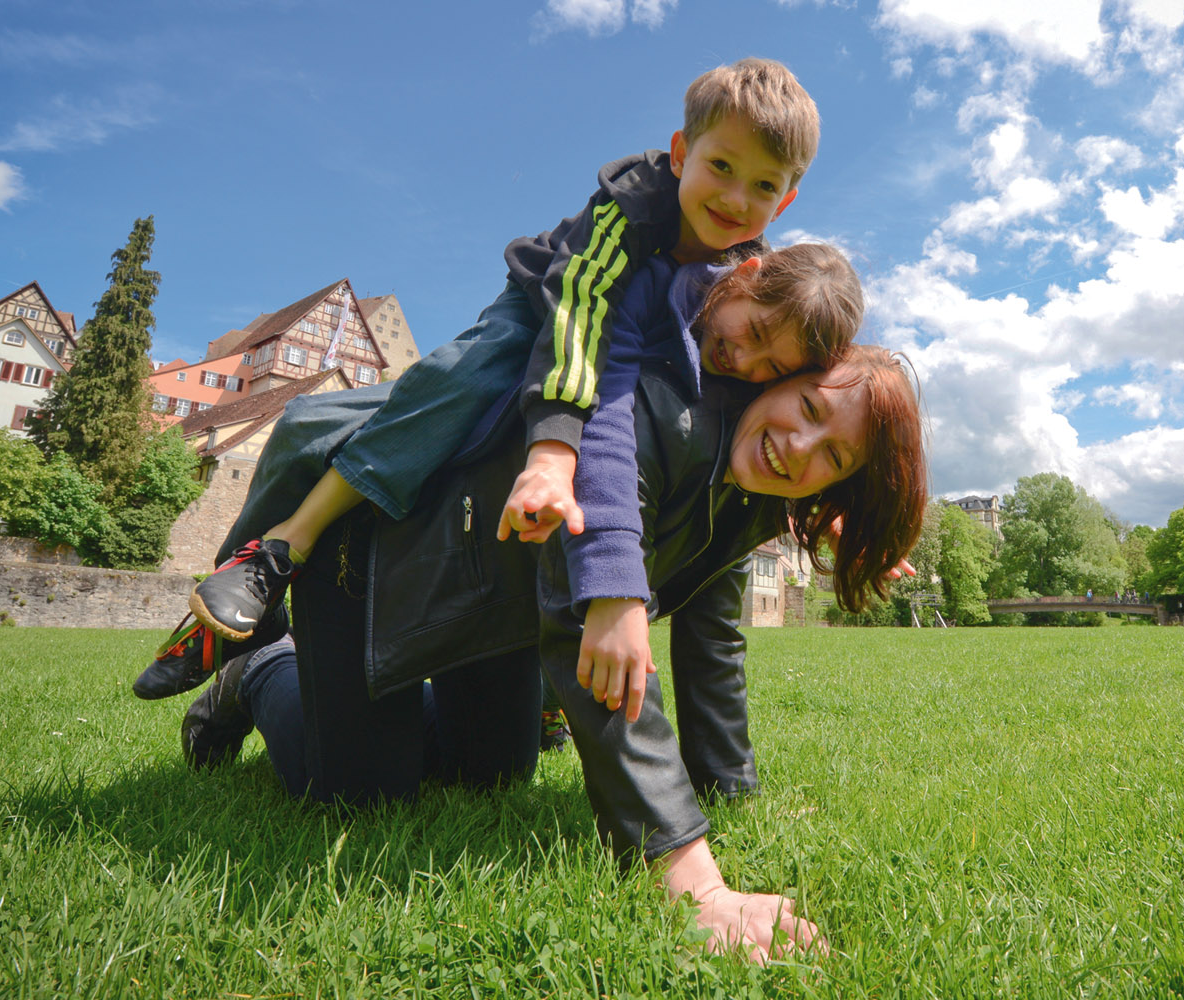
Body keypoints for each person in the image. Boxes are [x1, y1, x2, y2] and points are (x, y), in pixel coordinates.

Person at [175, 258, 929, 964]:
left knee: (497, 774)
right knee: (359, 794)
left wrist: (729, 791)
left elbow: (714, 642)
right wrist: (693, 878)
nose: (801, 447)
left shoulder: (756, 496)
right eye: (806, 408)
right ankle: (261, 673)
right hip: (376, 569)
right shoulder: (656, 416)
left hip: (494, 608)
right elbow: (590, 621)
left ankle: (384, 713)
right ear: (783, 379)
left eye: (833, 457)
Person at [179, 57, 823, 651]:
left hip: (615, 356)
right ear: (682, 154)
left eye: (764, 185)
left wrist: (823, 502)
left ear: (786, 199)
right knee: (462, 377)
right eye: (721, 167)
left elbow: (781, 387)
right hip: (545, 306)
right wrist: (552, 451)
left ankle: (541, 677)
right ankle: (284, 546)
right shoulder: (632, 206)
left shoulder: (749, 271)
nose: (737, 198)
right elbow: (579, 313)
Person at [136, 242, 862, 703]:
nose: (747, 363)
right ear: (746, 274)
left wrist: (823, 508)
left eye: (774, 367)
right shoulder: (671, 260)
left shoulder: (739, 370)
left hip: (522, 476)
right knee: (368, 412)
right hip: (543, 326)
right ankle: (270, 560)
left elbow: (787, 439)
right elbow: (602, 372)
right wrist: (553, 454)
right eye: (755, 336)